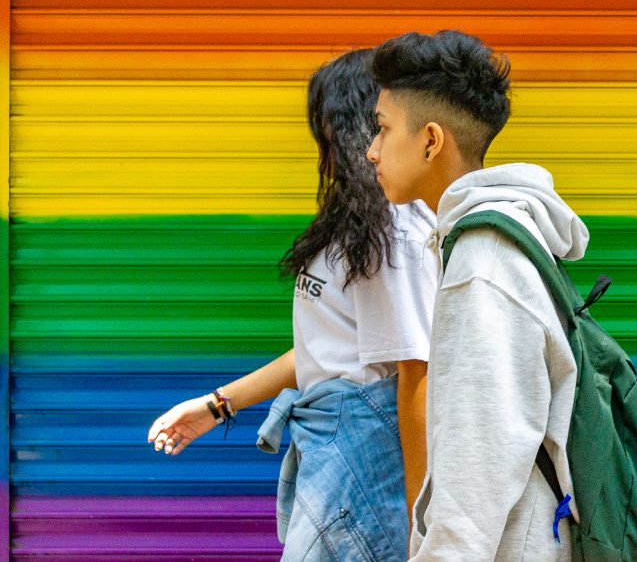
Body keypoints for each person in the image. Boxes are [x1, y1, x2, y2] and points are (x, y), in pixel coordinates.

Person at [147, 49, 436, 562]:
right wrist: (216, 407)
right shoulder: (360, 227)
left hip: (368, 459)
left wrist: (422, 528)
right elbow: (325, 350)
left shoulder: (398, 231)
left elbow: (418, 372)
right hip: (336, 450)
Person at [366, 30, 587, 561]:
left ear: (431, 140)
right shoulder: (488, 240)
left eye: (382, 129)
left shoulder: (481, 261)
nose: (372, 151)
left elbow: (479, 458)